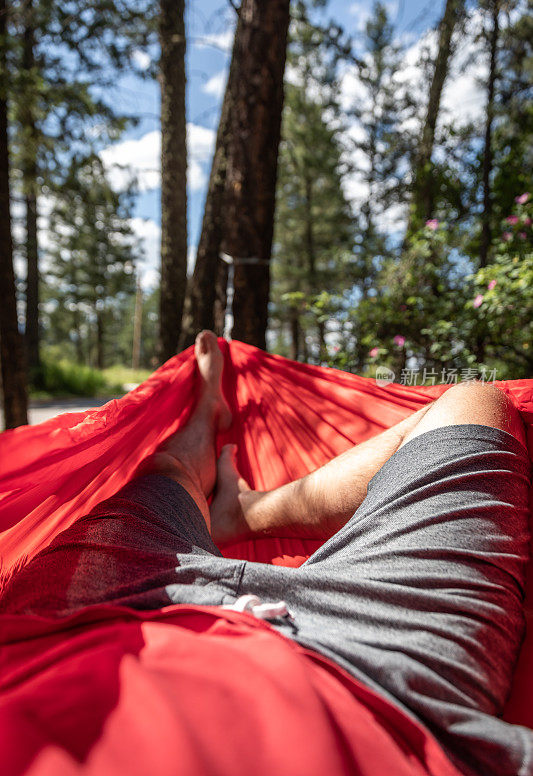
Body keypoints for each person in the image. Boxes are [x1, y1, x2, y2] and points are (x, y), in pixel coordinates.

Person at [1, 331, 531, 776]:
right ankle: (244, 512)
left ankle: (207, 417)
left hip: (78, 627)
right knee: (472, 405)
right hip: (386, 683)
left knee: (165, 474)